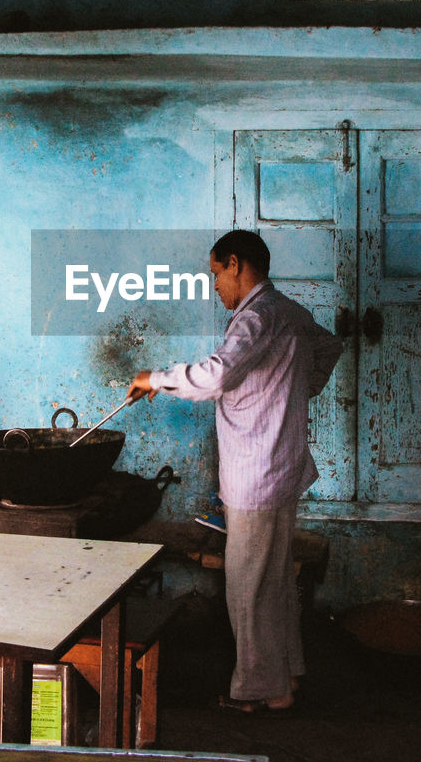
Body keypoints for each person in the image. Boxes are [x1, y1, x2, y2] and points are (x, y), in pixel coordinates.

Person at [127, 229, 342, 715]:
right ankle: (284, 680)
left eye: (216, 275)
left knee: (247, 584)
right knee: (275, 581)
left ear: (236, 263)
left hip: (257, 473)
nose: (216, 287)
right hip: (280, 467)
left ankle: (258, 691)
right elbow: (329, 349)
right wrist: (292, 391)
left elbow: (217, 375)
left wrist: (155, 378)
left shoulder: (255, 317)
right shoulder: (288, 311)